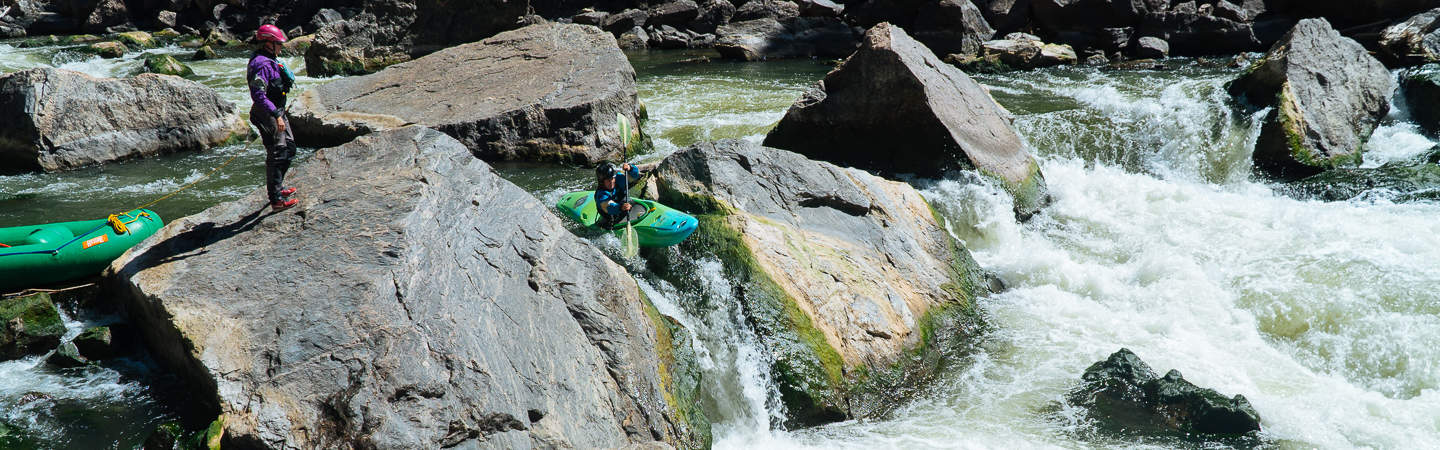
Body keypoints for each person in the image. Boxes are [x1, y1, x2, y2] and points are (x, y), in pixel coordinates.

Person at [248, 24, 299, 211]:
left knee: (290, 149)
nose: (281, 47)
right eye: (278, 43)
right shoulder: (261, 64)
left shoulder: (271, 60)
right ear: (268, 43)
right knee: (277, 154)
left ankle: (278, 187)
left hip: (278, 111)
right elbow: (258, 95)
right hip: (268, 114)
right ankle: (276, 200)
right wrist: (276, 115)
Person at [594, 161, 643, 227]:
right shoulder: (601, 195)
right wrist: (621, 207)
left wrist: (630, 168)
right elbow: (609, 206)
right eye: (608, 180)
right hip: (611, 217)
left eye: (612, 178)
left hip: (624, 207)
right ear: (602, 182)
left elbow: (635, 176)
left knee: (629, 201)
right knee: (610, 219)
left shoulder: (618, 179)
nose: (611, 182)